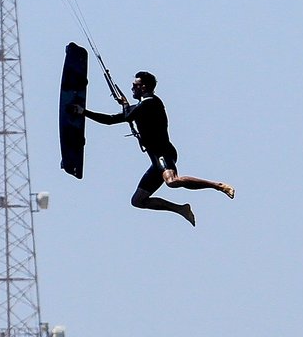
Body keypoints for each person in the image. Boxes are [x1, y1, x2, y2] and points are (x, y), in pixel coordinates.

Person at [83, 71, 233, 225]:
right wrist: (83, 112)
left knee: (172, 181)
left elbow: (128, 115)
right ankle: (181, 209)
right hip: (156, 159)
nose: (132, 88)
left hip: (164, 152)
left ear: (144, 87)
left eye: (135, 86)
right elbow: (110, 120)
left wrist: (125, 105)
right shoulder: (140, 107)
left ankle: (218, 186)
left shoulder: (151, 103)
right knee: (138, 201)